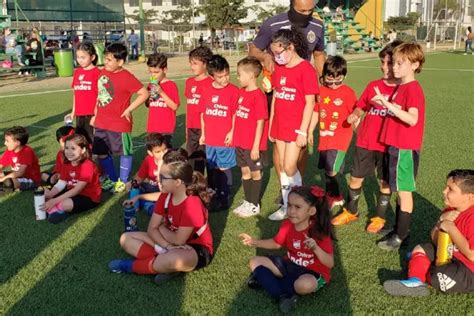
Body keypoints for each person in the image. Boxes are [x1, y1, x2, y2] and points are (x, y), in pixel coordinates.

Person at [248, 0, 325, 208]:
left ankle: (298, 194)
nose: (307, 14)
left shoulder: (317, 26)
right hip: (279, 88)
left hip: (302, 91)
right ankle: (286, 197)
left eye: (311, 10)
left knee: (299, 151)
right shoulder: (273, 23)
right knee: (280, 152)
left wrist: (322, 81)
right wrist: (266, 56)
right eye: (302, 10)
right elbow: (254, 49)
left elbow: (318, 54)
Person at [330, 40, 404, 233]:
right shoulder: (373, 86)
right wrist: (355, 114)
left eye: (389, 63)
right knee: (356, 178)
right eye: (382, 63)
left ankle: (379, 216)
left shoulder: (403, 89)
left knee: (384, 181)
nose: (384, 67)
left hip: (388, 144)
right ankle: (351, 211)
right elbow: (362, 105)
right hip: (365, 141)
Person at [108, 156, 213, 285]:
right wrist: (166, 246)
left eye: (163, 177)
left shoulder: (192, 203)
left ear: (178, 182)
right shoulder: (165, 196)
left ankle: (130, 266)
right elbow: (151, 229)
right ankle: (166, 266)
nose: (158, 180)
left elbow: (179, 240)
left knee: (173, 259)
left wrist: (161, 228)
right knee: (125, 239)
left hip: (194, 248)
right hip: (168, 243)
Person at [240, 186, 334, 313]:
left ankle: (267, 282)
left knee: (306, 285)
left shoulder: (319, 231)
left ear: (311, 211)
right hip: (289, 265)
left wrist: (316, 248)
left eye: (297, 207)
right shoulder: (287, 224)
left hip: (311, 272)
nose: (291, 211)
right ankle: (282, 295)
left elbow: (330, 263)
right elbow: (276, 243)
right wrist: (254, 242)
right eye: (289, 205)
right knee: (254, 262)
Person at [383, 169, 474, 296]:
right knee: (420, 249)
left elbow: (472, 255)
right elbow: (435, 239)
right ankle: (415, 282)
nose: (444, 191)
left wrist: (450, 227)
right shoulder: (450, 210)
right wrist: (441, 221)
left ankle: (421, 266)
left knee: (438, 277)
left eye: (450, 189)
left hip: (470, 270)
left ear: (469, 197)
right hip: (451, 254)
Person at [375, 43, 426, 250]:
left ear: (415, 65)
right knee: (397, 189)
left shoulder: (412, 89)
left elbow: (412, 119)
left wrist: (388, 106)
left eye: (400, 63)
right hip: (395, 145)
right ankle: (398, 228)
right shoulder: (402, 87)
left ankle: (402, 235)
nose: (394, 67)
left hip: (404, 148)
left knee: (404, 192)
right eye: (394, 62)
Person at [267, 29, 319, 221]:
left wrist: (303, 131)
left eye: (279, 53)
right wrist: (272, 124)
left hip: (296, 126)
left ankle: (301, 204)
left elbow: (310, 103)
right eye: (274, 53)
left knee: (290, 167)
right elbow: (276, 98)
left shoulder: (306, 69)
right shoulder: (279, 68)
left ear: (291, 47)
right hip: (279, 124)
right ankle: (287, 205)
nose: (276, 57)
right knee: (281, 166)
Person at [92, 43, 149, 193]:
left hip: (119, 123)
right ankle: (111, 179)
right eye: (105, 58)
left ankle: (122, 181)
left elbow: (144, 93)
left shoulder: (127, 77)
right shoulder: (102, 72)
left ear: (120, 62)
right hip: (101, 121)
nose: (106, 62)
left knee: (124, 152)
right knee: (102, 152)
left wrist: (129, 110)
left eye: (110, 60)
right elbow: (100, 95)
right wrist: (95, 114)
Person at [308, 56, 357, 212]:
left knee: (331, 169)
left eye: (338, 81)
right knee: (327, 169)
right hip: (324, 138)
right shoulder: (321, 91)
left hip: (341, 138)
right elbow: (316, 111)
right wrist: (310, 130)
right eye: (330, 81)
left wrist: (359, 130)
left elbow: (356, 114)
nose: (334, 85)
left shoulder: (348, 93)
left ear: (344, 76)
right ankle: (336, 196)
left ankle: (333, 196)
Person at [198, 54, 239, 211]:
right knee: (213, 166)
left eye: (227, 74)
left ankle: (224, 197)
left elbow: (235, 114)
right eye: (220, 77)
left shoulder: (233, 91)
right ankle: (213, 193)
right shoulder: (206, 90)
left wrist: (232, 131)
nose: (225, 79)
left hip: (225, 138)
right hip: (210, 137)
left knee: (224, 167)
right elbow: (203, 113)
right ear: (212, 76)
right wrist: (203, 134)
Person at [232, 57, 269, 217]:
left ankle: (254, 204)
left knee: (255, 173)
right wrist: (231, 132)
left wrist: (255, 146)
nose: (238, 77)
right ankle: (248, 201)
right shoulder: (241, 92)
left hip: (251, 144)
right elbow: (236, 114)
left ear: (251, 76)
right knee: (245, 172)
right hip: (239, 142)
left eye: (240, 74)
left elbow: (260, 122)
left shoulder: (258, 97)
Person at [42, 134, 101, 223]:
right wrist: (50, 195)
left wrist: (54, 200)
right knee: (46, 196)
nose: (68, 152)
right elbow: (61, 183)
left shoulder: (87, 165)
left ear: (83, 150)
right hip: (71, 191)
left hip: (88, 197)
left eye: (73, 148)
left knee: (64, 203)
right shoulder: (66, 163)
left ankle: (60, 211)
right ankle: (55, 209)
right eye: (67, 148)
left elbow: (77, 190)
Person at [184, 46, 213, 175]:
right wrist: (186, 128)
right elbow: (188, 106)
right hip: (191, 128)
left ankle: (212, 188)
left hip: (205, 129)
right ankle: (195, 188)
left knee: (206, 160)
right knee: (192, 160)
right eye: (191, 63)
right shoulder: (189, 82)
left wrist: (206, 132)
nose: (192, 66)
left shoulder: (211, 83)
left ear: (205, 64)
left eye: (195, 63)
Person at [125, 133, 168, 215]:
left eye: (165, 149)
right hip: (151, 188)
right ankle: (146, 204)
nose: (163, 154)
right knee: (136, 189)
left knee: (163, 202)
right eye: (158, 152)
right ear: (150, 153)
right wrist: (131, 183)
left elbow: (166, 191)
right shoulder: (148, 160)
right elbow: (140, 178)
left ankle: (150, 207)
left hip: (165, 191)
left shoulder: (171, 161)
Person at [66, 42, 100, 142]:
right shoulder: (77, 72)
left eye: (83, 57)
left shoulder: (98, 73)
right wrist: (73, 112)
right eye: (78, 57)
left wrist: (96, 116)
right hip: (80, 115)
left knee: (94, 143)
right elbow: (75, 94)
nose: (80, 60)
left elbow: (100, 97)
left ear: (92, 57)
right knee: (81, 142)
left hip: (92, 115)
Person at [145, 53, 180, 148]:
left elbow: (174, 106)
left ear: (165, 70)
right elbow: (148, 104)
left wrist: (161, 92)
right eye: (151, 72)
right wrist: (149, 97)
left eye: (156, 72)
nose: (153, 75)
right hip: (152, 126)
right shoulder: (150, 84)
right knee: (153, 152)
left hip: (165, 128)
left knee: (165, 153)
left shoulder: (171, 85)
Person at [0, 126, 41, 193]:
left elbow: (20, 173)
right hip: (17, 176)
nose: (5, 143)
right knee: (3, 176)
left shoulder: (27, 151)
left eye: (7, 141)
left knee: (8, 182)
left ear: (17, 143)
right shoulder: (9, 150)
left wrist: (3, 179)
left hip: (30, 179)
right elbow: (1, 165)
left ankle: (6, 188)